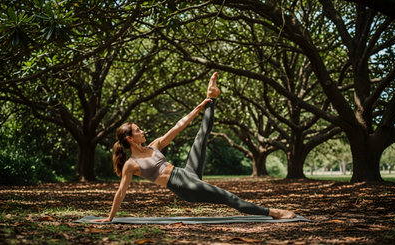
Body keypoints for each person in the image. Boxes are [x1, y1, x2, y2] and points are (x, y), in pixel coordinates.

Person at [93, 72, 296, 222]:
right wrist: (109, 218)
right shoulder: (131, 164)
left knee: (201, 136)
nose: (142, 131)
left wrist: (199, 107)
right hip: (183, 185)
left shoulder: (154, 146)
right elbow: (121, 192)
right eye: (138, 130)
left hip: (186, 173)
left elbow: (177, 127)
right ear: (129, 138)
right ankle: (273, 213)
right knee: (229, 198)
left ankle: (212, 97)